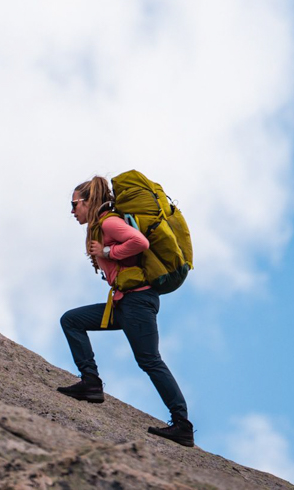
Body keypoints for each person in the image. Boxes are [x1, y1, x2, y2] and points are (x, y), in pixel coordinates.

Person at [56, 176, 195, 447]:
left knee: (150, 361)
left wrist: (107, 251)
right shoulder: (100, 225)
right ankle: (91, 383)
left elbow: (139, 242)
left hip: (137, 303)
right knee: (72, 320)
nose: (72, 211)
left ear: (87, 201)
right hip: (123, 303)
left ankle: (182, 425)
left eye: (74, 205)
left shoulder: (108, 222)